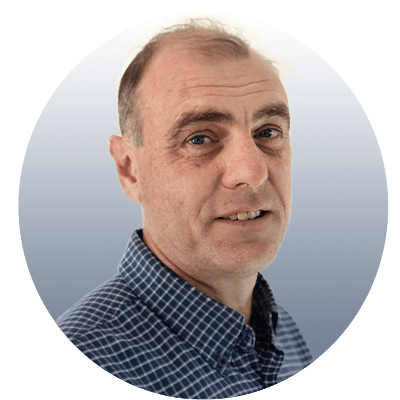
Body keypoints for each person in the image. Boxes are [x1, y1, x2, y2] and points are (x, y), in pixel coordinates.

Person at [56, 19, 312, 399]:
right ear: (129, 170)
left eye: (267, 132)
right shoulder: (84, 360)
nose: (252, 173)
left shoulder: (282, 331)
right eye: (200, 139)